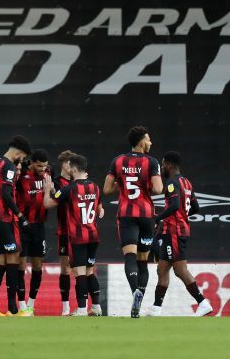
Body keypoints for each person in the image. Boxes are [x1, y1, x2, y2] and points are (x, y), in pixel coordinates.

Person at [103, 125, 163, 318]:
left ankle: (134, 292)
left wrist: (123, 182)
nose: (150, 142)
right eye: (148, 139)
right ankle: (140, 297)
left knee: (129, 257)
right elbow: (158, 189)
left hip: (126, 215)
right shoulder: (152, 162)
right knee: (142, 261)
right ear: (141, 142)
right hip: (146, 215)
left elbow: (107, 190)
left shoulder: (118, 161)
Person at [149, 151, 212, 317]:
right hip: (174, 230)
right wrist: (183, 215)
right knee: (162, 269)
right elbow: (196, 207)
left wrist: (158, 217)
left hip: (174, 232)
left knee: (179, 270)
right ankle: (156, 308)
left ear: (169, 165)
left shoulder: (171, 183)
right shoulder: (187, 182)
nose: (162, 168)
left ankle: (203, 303)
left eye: (163, 165)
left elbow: (175, 205)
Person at [44, 154, 104, 316]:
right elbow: (99, 210)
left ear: (74, 169)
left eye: (70, 166)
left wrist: (46, 191)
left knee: (79, 273)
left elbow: (48, 204)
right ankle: (97, 307)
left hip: (78, 237)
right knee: (90, 271)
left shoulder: (69, 189)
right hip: (94, 236)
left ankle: (82, 309)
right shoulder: (95, 186)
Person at [0, 135, 31, 317]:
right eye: (23, 157)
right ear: (19, 152)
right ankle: (12, 309)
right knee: (13, 260)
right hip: (5, 219)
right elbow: (5, 193)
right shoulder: (10, 166)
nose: (23, 161)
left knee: (0, 261)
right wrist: (20, 215)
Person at [15, 149, 51, 316]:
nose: (42, 169)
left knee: (37, 266)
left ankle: (31, 304)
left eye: (44, 166)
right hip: (23, 226)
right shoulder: (21, 176)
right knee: (20, 265)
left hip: (39, 226)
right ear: (31, 163)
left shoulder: (48, 174)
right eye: (39, 165)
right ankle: (21, 305)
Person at [53, 150, 76, 316]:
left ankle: (89, 306)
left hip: (81, 231)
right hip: (64, 230)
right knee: (65, 268)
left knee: (84, 269)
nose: (73, 167)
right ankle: (66, 307)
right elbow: (52, 200)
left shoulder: (79, 182)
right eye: (70, 164)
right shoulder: (56, 183)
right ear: (64, 165)